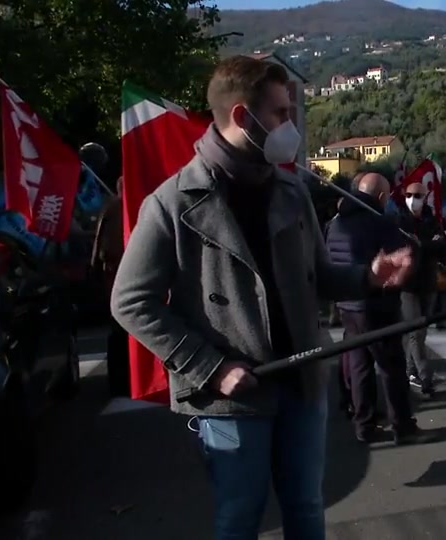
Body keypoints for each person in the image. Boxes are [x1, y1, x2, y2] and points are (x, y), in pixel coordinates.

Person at [110, 55, 413, 540]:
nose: (290, 125)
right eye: (279, 113)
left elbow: (321, 276)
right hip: (231, 399)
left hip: (303, 386)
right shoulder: (172, 202)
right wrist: (210, 367)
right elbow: (130, 301)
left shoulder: (291, 190)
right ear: (240, 117)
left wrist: (370, 277)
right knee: (239, 517)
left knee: (306, 509)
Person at [326, 172, 435, 445]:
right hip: (377, 304)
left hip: (347, 304)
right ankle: (403, 426)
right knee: (392, 367)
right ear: (382, 197)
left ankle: (364, 425)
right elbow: (403, 259)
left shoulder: (336, 223)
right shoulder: (380, 222)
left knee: (360, 365)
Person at [399, 181, 445, 398]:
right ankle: (426, 377)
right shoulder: (400, 219)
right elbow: (403, 247)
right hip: (407, 285)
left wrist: (422, 244)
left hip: (428, 282)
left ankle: (410, 370)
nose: (412, 198)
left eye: (417, 195)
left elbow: (442, 243)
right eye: (408, 194)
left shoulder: (432, 219)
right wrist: (426, 244)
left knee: (421, 331)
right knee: (415, 331)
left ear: (425, 197)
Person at [91, 176, 129, 397]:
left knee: (118, 331)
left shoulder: (111, 208)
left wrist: (95, 270)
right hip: (117, 275)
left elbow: (98, 245)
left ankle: (119, 381)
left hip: (113, 277)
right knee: (121, 332)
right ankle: (120, 381)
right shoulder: (119, 208)